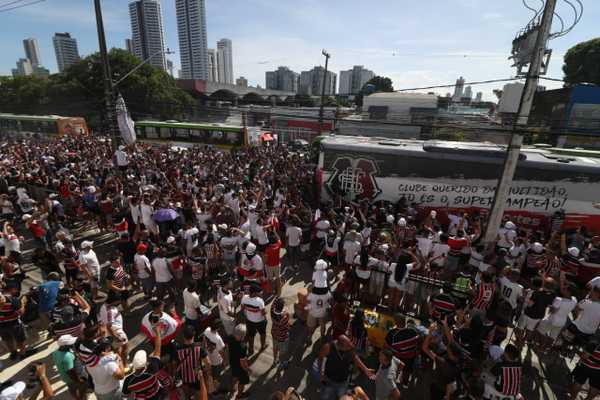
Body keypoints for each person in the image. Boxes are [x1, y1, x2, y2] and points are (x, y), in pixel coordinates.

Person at [316, 335, 375, 400]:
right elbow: (320, 357)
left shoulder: (349, 348)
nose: (350, 348)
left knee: (342, 397)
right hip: (329, 380)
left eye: (349, 344)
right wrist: (320, 372)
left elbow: (355, 357)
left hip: (343, 381)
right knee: (326, 397)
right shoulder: (329, 347)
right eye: (347, 347)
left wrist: (365, 369)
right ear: (340, 346)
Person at [122, 326, 164, 400]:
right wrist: (158, 332)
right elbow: (158, 349)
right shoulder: (153, 369)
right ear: (145, 364)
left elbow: (125, 395)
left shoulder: (128, 380)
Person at [52, 334, 85, 400]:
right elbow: (70, 371)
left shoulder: (55, 352)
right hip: (72, 379)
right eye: (70, 343)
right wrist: (78, 381)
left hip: (65, 377)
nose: (73, 343)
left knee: (72, 389)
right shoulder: (67, 356)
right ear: (65, 346)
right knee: (78, 392)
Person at [98, 294, 128, 361]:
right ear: (115, 301)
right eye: (119, 301)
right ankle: (125, 364)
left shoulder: (104, 306)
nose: (119, 302)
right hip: (116, 331)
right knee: (125, 346)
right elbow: (109, 326)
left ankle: (121, 359)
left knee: (117, 348)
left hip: (112, 331)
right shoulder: (109, 311)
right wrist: (117, 337)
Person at [241, 283, 267, 354]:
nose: (259, 292)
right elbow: (263, 313)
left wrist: (246, 314)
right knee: (262, 334)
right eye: (258, 292)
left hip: (249, 321)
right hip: (260, 321)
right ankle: (263, 346)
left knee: (251, 335)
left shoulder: (244, 297)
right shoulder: (260, 301)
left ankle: (251, 349)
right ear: (255, 293)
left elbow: (242, 308)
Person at [227, 324, 251, 400]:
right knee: (242, 382)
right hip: (240, 368)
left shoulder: (230, 337)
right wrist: (247, 369)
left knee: (234, 375)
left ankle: (232, 389)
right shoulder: (243, 346)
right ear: (242, 335)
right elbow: (242, 361)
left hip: (232, 362)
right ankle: (239, 395)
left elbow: (226, 347)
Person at [271, 297, 292, 367]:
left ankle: (274, 361)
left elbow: (272, 305)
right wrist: (286, 313)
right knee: (282, 351)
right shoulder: (285, 317)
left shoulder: (272, 313)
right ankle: (282, 363)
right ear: (282, 307)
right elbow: (289, 323)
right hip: (282, 337)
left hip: (274, 334)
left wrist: (277, 299)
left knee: (275, 348)